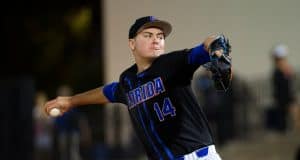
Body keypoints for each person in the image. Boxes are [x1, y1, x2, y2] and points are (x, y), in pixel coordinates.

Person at [44, 16, 232, 160]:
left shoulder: (173, 64)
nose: (156, 40)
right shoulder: (128, 80)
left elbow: (209, 43)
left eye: (160, 36)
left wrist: (217, 50)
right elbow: (107, 92)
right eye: (148, 35)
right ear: (132, 43)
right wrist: (70, 101)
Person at [270, 44, 296, 133]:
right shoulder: (277, 72)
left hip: (288, 96)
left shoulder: (285, 70)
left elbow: (290, 83)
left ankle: (289, 129)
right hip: (282, 97)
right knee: (283, 115)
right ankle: (284, 129)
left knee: (292, 114)